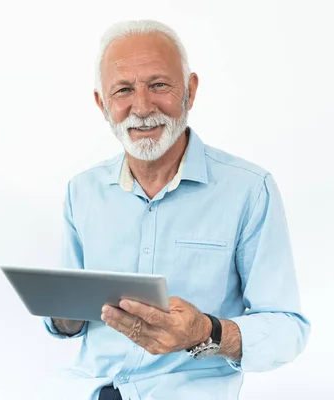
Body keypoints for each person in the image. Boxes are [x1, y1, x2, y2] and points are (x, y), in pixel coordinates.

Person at [42, 19, 311, 400]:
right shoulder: (82, 191)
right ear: (103, 104)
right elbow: (67, 320)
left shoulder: (249, 190)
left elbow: (288, 331)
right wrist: (64, 317)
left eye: (158, 85)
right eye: (123, 90)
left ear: (190, 90)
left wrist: (206, 332)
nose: (142, 107)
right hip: (91, 390)